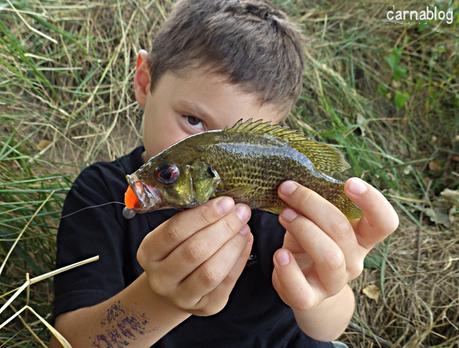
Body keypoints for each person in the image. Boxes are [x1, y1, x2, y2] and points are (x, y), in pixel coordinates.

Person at [50, 1, 399, 347]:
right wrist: (162, 301)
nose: (207, 140)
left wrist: (322, 284)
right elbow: (67, 343)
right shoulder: (99, 194)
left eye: (245, 138)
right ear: (144, 81)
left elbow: (328, 330)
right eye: (193, 120)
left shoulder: (288, 214)